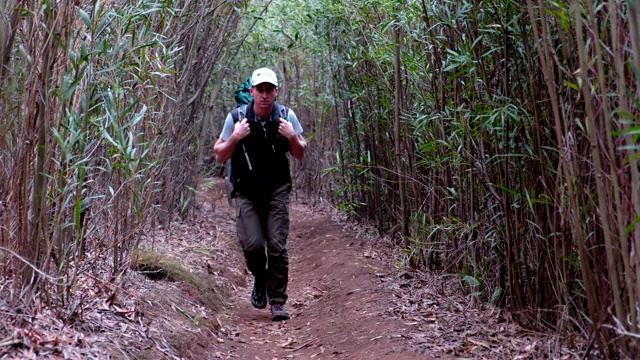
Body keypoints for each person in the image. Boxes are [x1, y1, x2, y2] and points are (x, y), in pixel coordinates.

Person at [213, 67, 306, 321]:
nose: (264, 95)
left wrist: (291, 138)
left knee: (277, 244)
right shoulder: (237, 118)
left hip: (277, 189)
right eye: (260, 90)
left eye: (269, 90)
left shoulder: (287, 116)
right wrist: (236, 136)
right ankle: (260, 277)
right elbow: (220, 154)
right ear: (252, 91)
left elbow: (300, 153)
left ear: (276, 92)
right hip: (246, 191)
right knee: (252, 244)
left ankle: (277, 301)